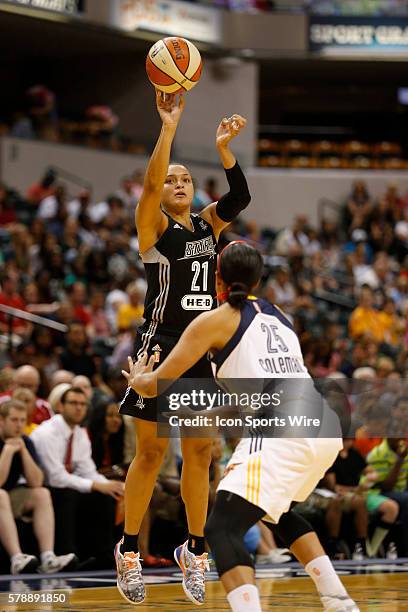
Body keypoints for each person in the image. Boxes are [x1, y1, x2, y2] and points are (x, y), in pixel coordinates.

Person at [123, 242, 359, 612]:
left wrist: (139, 379)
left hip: (281, 429)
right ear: (257, 278)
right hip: (321, 424)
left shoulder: (214, 320)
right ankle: (338, 600)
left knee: (221, 530)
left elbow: (159, 383)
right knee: (276, 513)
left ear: (216, 277)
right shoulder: (279, 314)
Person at [116, 90, 251, 606]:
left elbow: (239, 198)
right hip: (159, 345)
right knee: (150, 452)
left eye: (185, 179)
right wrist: (168, 127)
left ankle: (194, 550)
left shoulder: (207, 225)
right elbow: (151, 183)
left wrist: (223, 150)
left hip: (199, 351)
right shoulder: (151, 225)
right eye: (172, 179)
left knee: (201, 453)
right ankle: (128, 549)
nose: (177, 184)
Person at [30, 387, 124, 568]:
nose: (79, 408)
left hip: (65, 484)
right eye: (73, 403)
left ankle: (103, 556)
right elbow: (55, 478)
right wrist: (95, 485)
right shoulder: (47, 433)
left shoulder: (80, 433)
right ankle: (67, 554)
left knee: (106, 496)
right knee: (68, 494)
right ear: (60, 406)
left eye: (82, 404)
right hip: (42, 486)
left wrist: (114, 486)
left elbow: (87, 471)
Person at [0, 399, 76, 574]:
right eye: (14, 420)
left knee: (41, 493)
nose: (19, 425)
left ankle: (48, 558)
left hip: (9, 497)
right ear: (2, 421)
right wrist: (7, 452)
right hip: (2, 495)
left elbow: (36, 481)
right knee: (0, 494)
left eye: (22, 420)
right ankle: (16, 558)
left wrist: (24, 452)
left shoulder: (25, 442)